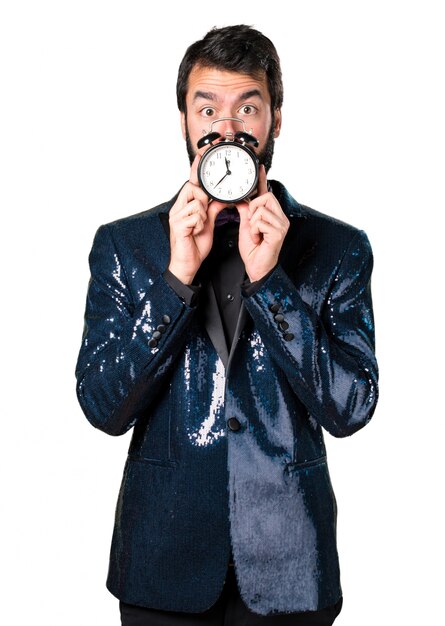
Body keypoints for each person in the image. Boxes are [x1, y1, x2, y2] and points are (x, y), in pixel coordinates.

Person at [75, 24, 378, 626]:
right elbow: (104, 407)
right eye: (206, 107)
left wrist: (272, 286)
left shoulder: (336, 248)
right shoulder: (126, 246)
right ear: (184, 122)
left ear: (276, 122)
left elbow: (351, 408)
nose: (228, 128)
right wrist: (175, 281)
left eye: (249, 107)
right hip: (162, 565)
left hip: (291, 565)